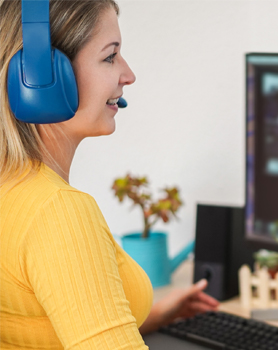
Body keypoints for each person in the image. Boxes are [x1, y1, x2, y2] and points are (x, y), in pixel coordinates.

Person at [0, 1, 218, 348]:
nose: (128, 74)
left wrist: (151, 316)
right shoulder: (57, 212)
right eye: (110, 56)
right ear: (44, 77)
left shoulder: (11, 189)